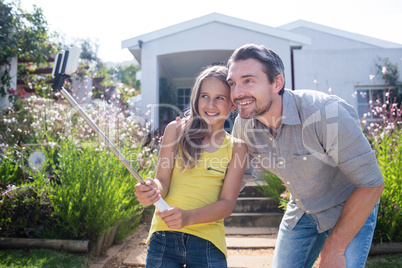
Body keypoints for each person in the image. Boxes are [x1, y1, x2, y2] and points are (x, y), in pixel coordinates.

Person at [227, 44, 384, 268]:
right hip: (303, 208)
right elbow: (235, 176)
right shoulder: (244, 125)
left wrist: (335, 247)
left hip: (350, 204)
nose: (237, 93)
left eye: (248, 81)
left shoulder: (325, 114)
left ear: (277, 83)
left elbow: (372, 184)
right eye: (233, 83)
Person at [135, 65, 248, 268]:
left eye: (220, 98)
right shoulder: (175, 130)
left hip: (208, 243)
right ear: (196, 99)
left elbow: (227, 203)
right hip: (164, 236)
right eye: (205, 96)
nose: (211, 104)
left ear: (232, 104)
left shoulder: (237, 147)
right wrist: (152, 189)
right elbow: (162, 181)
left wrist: (188, 217)